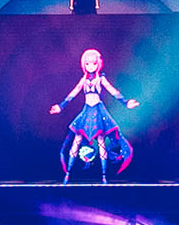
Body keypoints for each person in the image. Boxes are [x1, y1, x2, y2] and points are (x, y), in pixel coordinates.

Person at [50, 48, 138, 182]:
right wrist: (61, 106)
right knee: (76, 141)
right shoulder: (84, 80)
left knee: (101, 142)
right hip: (87, 112)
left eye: (93, 63)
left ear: (98, 64)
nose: (90, 66)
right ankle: (67, 174)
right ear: (84, 65)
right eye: (87, 63)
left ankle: (104, 176)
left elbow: (113, 91)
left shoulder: (101, 79)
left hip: (98, 111)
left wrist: (125, 102)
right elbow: (73, 93)